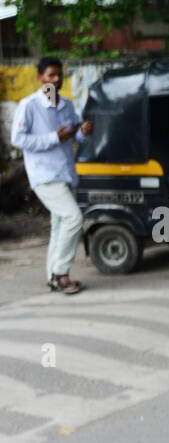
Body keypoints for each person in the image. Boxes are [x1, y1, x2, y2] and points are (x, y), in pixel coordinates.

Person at [9, 56, 93, 294]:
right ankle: (61, 273)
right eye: (50, 75)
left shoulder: (66, 104)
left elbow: (74, 135)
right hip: (44, 174)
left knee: (59, 225)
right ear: (40, 77)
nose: (55, 80)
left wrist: (82, 132)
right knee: (74, 218)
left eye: (59, 75)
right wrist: (54, 137)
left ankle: (53, 276)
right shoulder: (29, 105)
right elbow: (18, 139)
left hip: (65, 173)